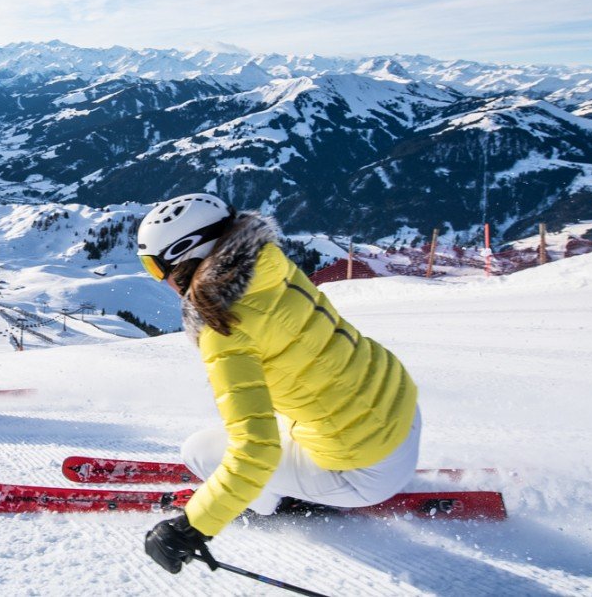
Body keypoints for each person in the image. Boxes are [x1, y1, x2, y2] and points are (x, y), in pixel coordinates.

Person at [134, 194, 421, 574]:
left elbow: (256, 451)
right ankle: (296, 479)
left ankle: (272, 504)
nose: (160, 279)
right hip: (399, 412)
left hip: (365, 472)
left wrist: (191, 528)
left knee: (201, 452)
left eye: (155, 267)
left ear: (186, 256)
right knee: (278, 415)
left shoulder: (223, 326)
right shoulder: (268, 266)